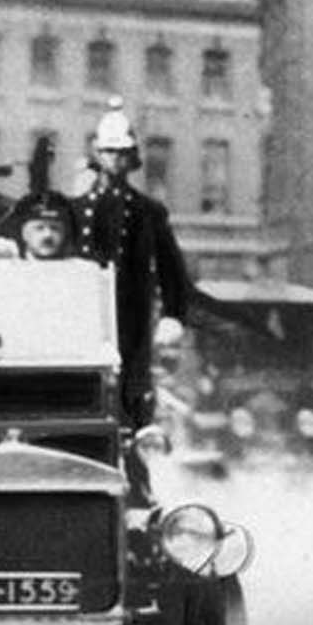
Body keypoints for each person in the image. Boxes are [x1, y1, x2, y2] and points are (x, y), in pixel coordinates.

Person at [73, 97, 193, 425]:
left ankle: (135, 462)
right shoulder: (75, 209)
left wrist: (172, 316)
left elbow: (173, 275)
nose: (115, 159)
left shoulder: (148, 212)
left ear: (132, 159)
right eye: (110, 151)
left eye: (122, 153)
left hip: (132, 321)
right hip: (85, 318)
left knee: (133, 401)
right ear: (97, 154)